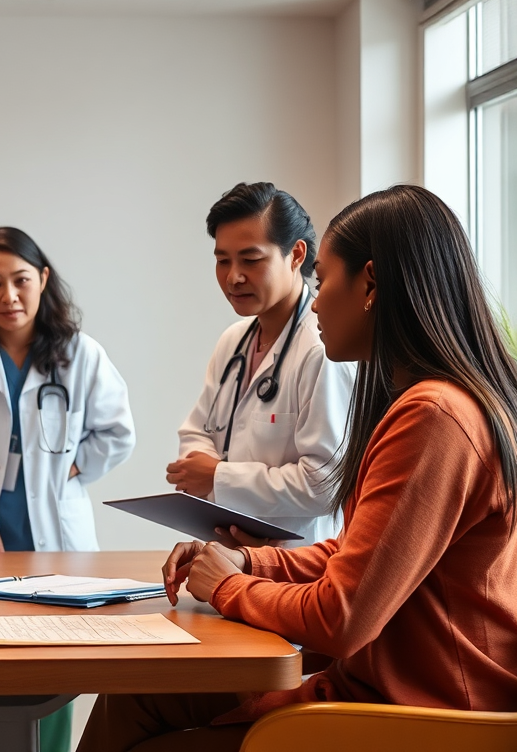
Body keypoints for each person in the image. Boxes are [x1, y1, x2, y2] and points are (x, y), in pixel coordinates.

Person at [78, 184, 517, 752]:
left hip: (424, 713)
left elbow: (342, 616)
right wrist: (250, 559)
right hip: (379, 679)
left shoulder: (434, 416)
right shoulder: (424, 401)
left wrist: (231, 585)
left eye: (326, 279)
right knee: (135, 691)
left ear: (371, 285)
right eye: (223, 260)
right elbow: (357, 552)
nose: (315, 301)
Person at [0, 226, 136, 752]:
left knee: (52, 666)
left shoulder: (80, 354)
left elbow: (117, 431)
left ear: (43, 279)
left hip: (55, 529)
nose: (9, 296)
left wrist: (70, 469)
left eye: (20, 280)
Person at [166, 182, 355, 547]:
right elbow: (197, 432)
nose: (233, 276)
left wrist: (219, 478)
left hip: (297, 566)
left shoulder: (321, 350)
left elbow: (325, 484)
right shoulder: (234, 341)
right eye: (223, 261)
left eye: (251, 260)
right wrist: (204, 468)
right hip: (230, 556)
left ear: (296, 255)